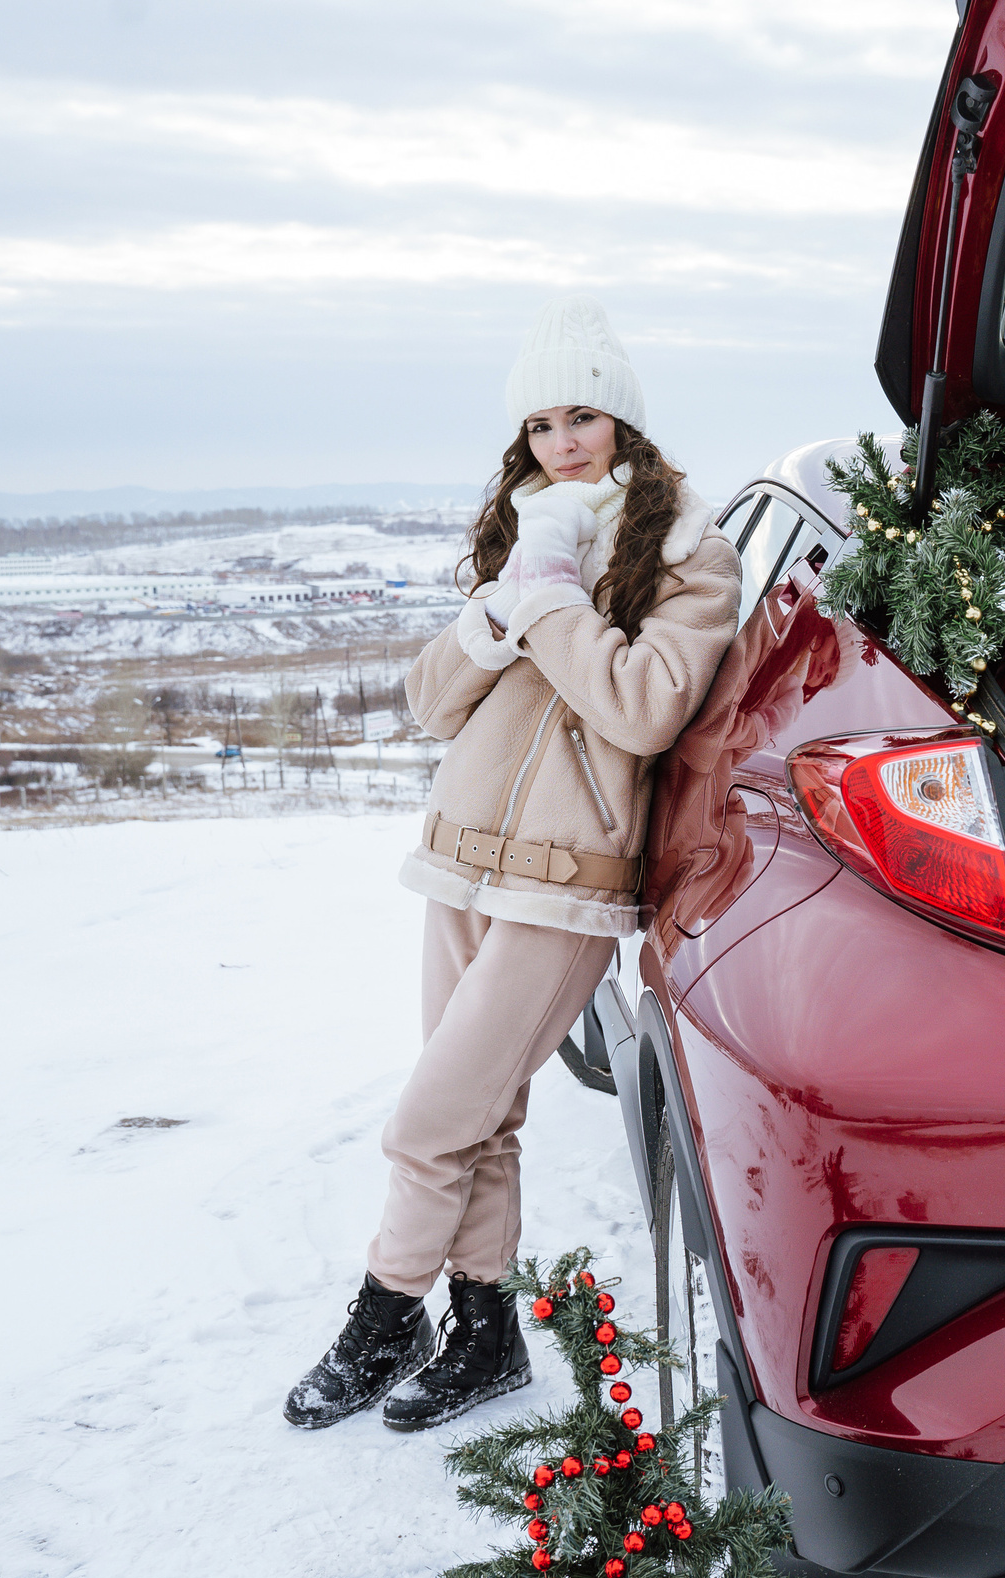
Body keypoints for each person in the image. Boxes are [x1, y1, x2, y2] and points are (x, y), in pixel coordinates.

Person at [285, 295, 742, 1431]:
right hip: (458, 863)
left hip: (564, 885)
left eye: (581, 416)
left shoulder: (691, 554)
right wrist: (501, 608)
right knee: (481, 1116)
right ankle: (484, 1335)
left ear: (623, 421)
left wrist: (550, 608)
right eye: (539, 425)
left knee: (427, 1123)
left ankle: (384, 1314)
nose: (561, 443)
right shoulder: (529, 531)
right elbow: (432, 701)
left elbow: (641, 709)